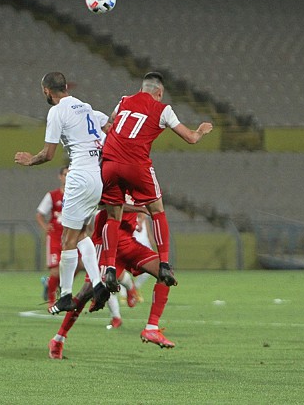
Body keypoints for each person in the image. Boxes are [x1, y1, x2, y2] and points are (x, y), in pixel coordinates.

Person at [99, 71, 213, 292]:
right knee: (158, 211)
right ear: (159, 92)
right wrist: (201, 131)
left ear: (142, 88)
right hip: (136, 164)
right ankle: (164, 265)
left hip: (110, 163)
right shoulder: (163, 109)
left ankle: (110, 268)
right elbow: (190, 138)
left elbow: (109, 125)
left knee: (113, 217)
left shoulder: (124, 101)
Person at [15, 72, 110, 314]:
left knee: (68, 239)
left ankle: (66, 295)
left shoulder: (57, 111)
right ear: (66, 86)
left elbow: (48, 154)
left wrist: (30, 160)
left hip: (78, 177)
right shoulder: (86, 107)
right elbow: (108, 126)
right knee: (81, 234)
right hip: (97, 177)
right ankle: (98, 284)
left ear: (46, 91)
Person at [48, 206, 176, 359]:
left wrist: (144, 210)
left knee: (165, 274)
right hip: (105, 243)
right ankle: (58, 339)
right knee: (87, 292)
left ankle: (151, 327)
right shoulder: (113, 189)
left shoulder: (139, 191)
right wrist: (141, 208)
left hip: (128, 242)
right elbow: (107, 203)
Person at [36, 166, 68, 307]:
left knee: (71, 268)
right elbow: (39, 214)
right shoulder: (52, 195)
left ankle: (50, 284)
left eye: (70, 174)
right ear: (60, 177)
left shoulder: (76, 195)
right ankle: (51, 301)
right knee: (55, 270)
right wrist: (46, 228)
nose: (68, 177)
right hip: (55, 237)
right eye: (65, 174)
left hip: (70, 238)